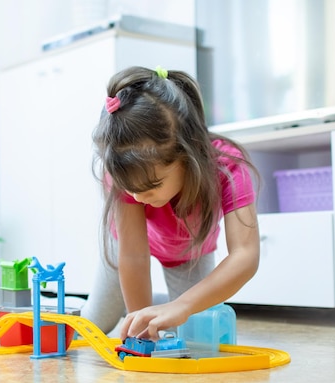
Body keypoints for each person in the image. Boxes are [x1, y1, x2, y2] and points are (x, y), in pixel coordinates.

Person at [80, 66, 260, 341]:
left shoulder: (228, 168)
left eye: (151, 186)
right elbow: (134, 257)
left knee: (190, 332)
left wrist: (182, 306)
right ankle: (74, 309)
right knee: (95, 325)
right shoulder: (126, 171)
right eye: (131, 189)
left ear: (189, 153)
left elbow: (245, 255)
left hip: (188, 251)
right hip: (129, 248)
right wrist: (141, 328)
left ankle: (164, 301)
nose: (139, 198)